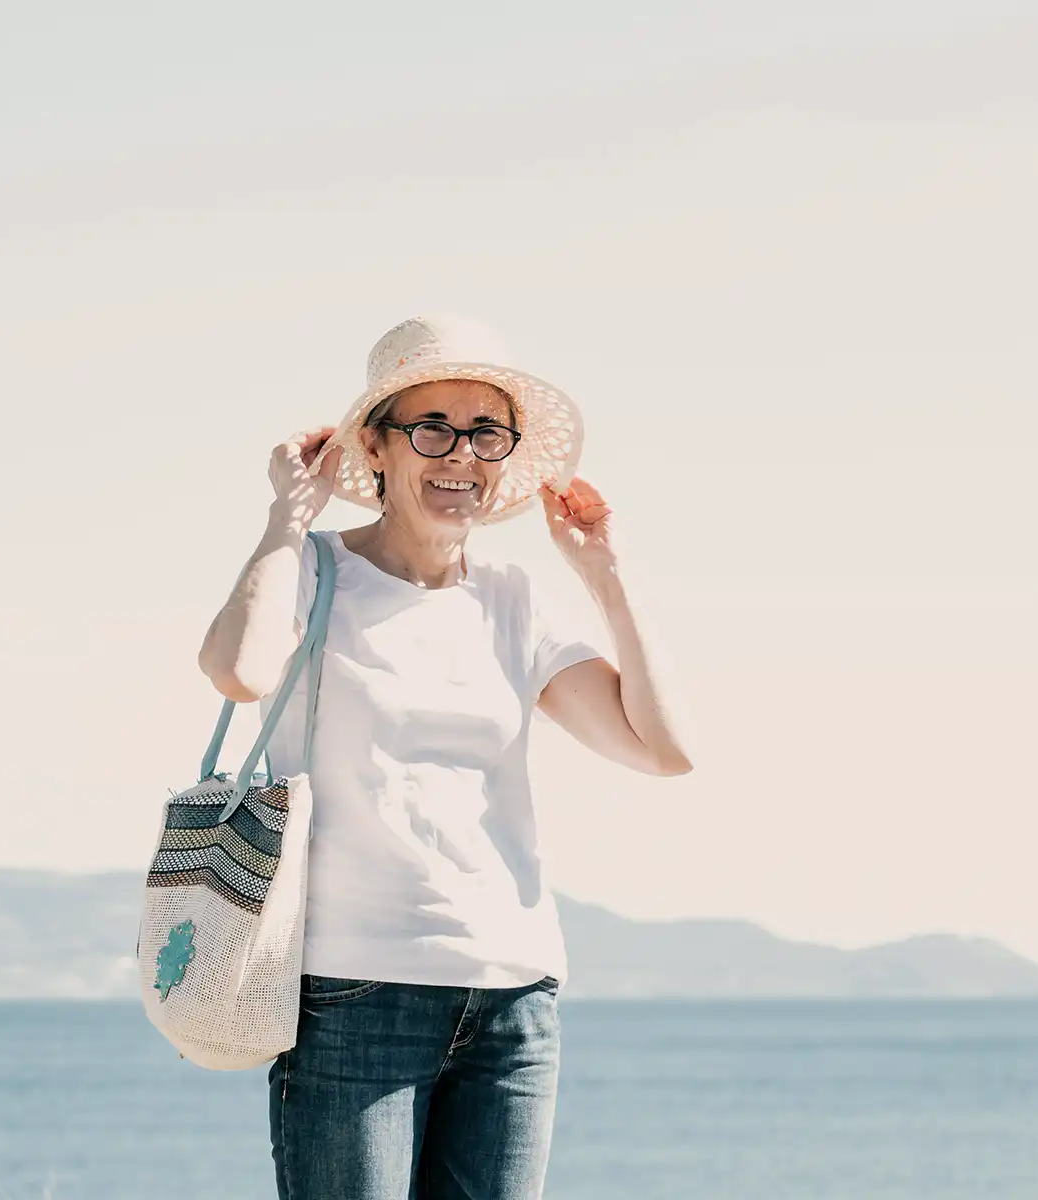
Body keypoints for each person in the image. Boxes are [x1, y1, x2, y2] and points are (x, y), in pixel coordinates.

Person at [197, 314, 691, 1200]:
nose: (460, 454)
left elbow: (662, 749)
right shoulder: (312, 572)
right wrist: (285, 518)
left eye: (485, 432)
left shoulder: (516, 600)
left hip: (512, 1000)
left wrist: (607, 577)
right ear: (377, 448)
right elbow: (236, 673)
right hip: (352, 992)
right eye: (432, 428)